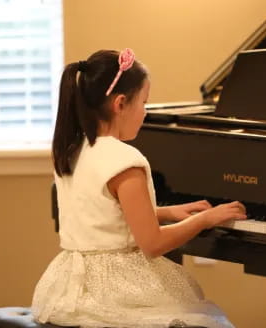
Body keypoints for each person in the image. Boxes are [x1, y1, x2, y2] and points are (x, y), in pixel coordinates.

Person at [31, 48, 247, 328]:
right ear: (120, 104)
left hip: (69, 286)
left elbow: (105, 215)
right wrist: (204, 218)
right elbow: (153, 244)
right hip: (115, 291)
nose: (145, 112)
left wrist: (168, 212)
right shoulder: (125, 160)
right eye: (144, 102)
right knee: (208, 322)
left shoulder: (72, 148)